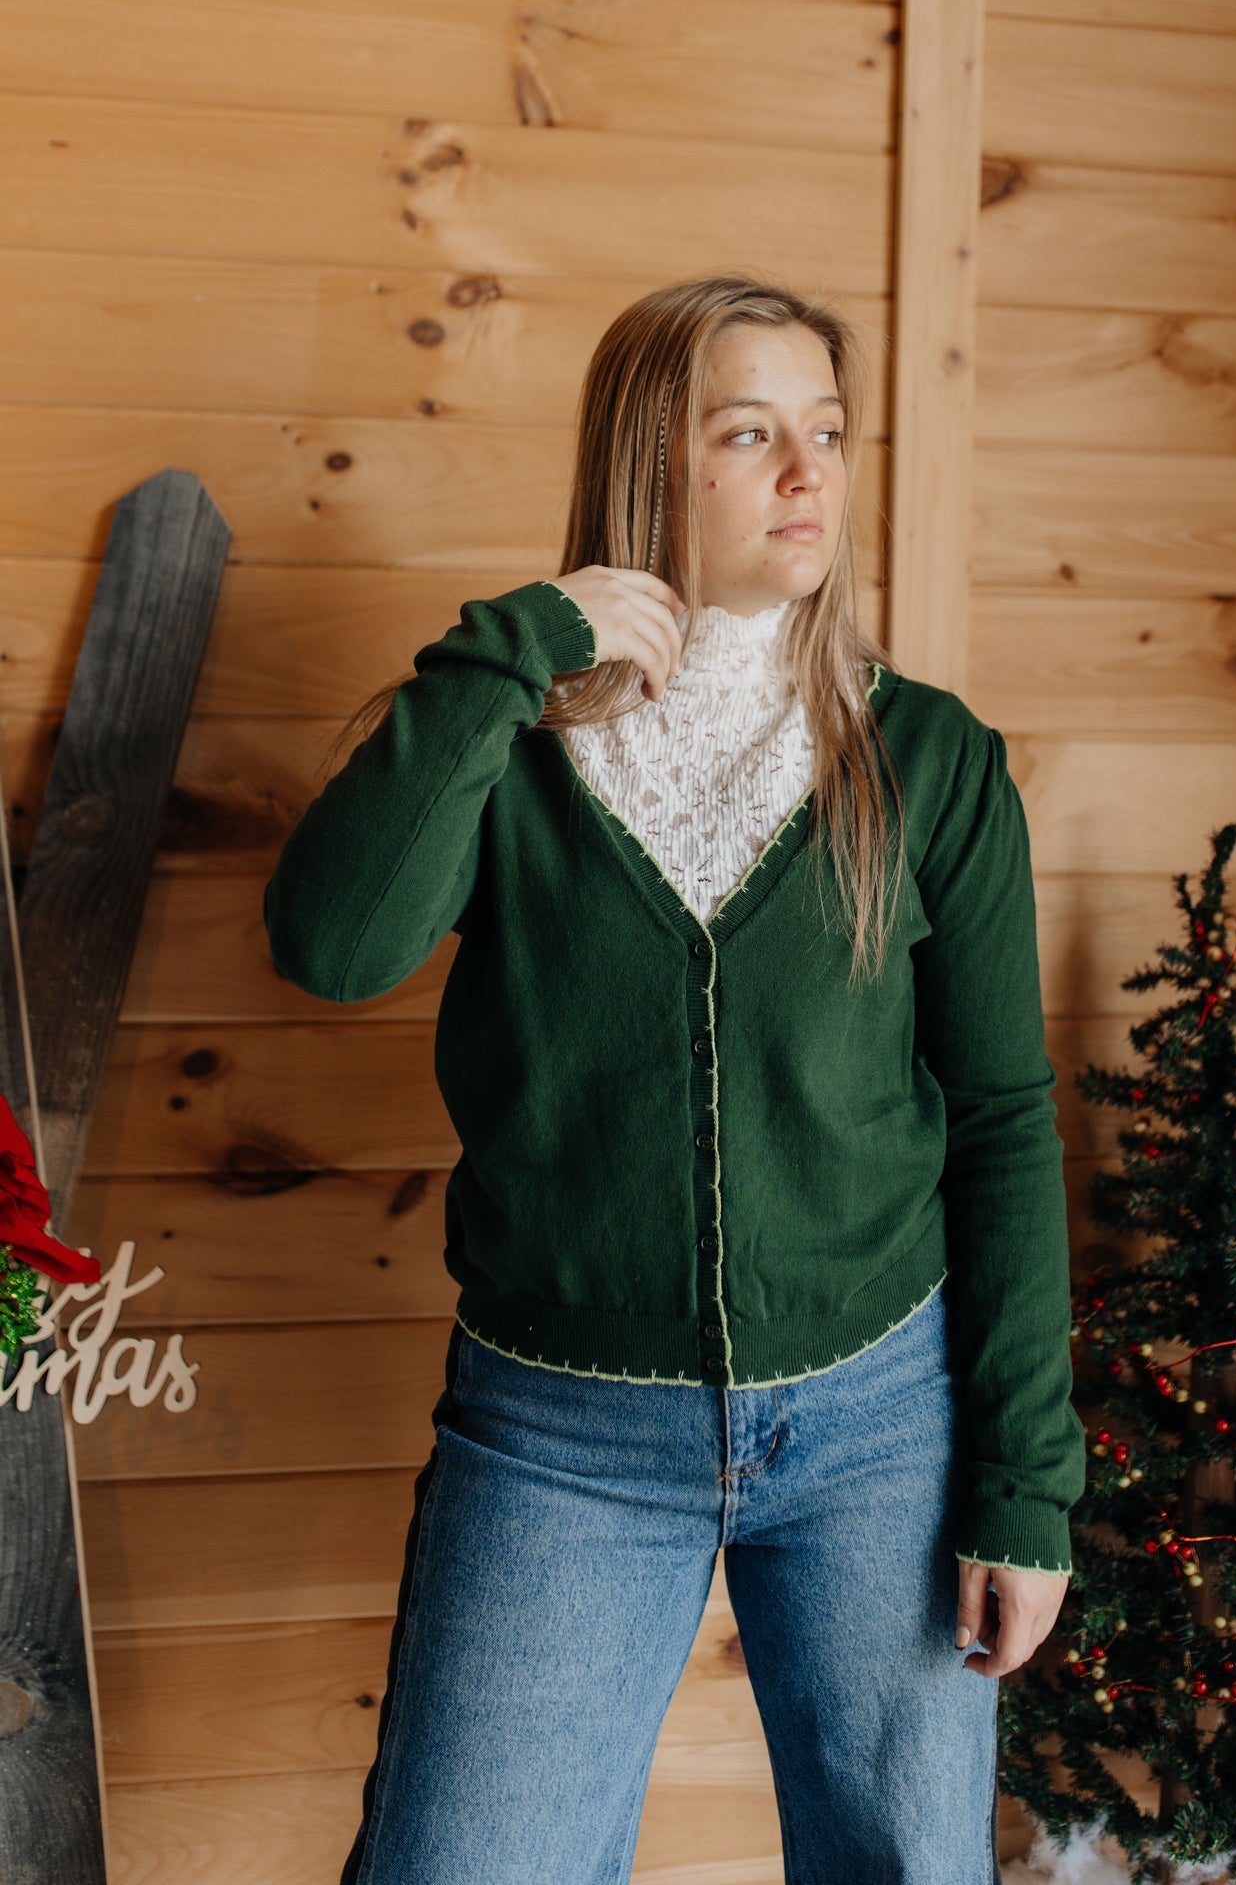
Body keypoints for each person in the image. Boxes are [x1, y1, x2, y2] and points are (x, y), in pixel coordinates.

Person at [262, 271, 1086, 1885]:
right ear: (651, 459)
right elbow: (333, 947)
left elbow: (997, 1124)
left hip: (881, 1424)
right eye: (748, 434)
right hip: (557, 1431)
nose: (806, 474)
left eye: (826, 433)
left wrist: (1025, 1484)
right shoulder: (504, 742)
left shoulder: (926, 759)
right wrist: (510, 654)